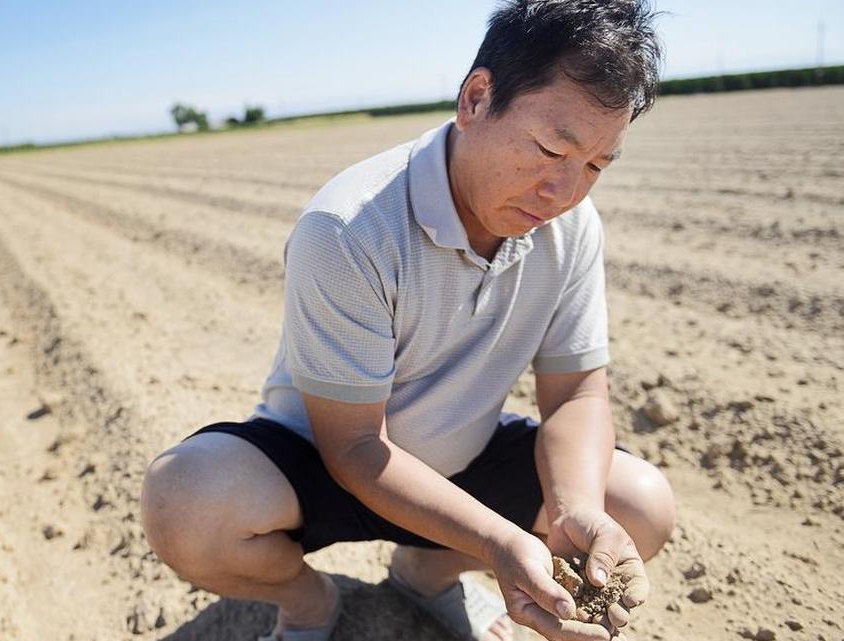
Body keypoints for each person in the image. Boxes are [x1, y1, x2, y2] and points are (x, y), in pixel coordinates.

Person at [141, 1, 676, 639]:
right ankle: (309, 604)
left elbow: (577, 393)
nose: (563, 193)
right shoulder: (349, 227)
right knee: (184, 503)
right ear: (477, 99)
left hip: (461, 460)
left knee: (639, 505)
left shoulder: (571, 229)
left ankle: (425, 574)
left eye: (593, 166)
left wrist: (574, 509)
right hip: (326, 456)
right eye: (549, 149)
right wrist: (498, 542)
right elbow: (357, 448)